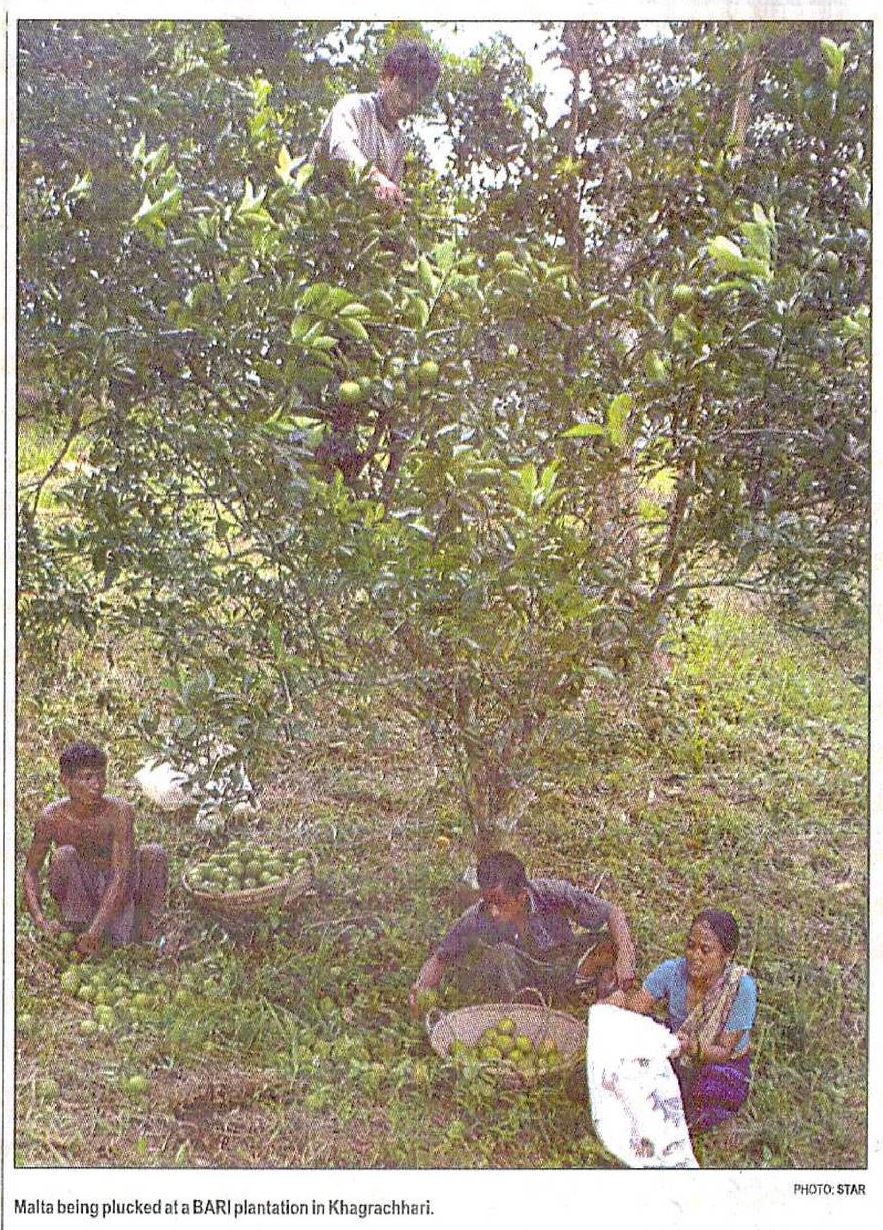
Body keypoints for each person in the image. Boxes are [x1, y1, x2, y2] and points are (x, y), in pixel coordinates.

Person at [409, 850, 637, 1015]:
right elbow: (442, 956)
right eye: (488, 902)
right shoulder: (479, 916)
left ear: (522, 897)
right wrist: (422, 986)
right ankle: (522, 1013)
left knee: (610, 945)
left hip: (564, 963)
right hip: (525, 980)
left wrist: (625, 958)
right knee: (501, 955)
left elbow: (611, 913)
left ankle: (604, 1003)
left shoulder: (550, 894)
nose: (493, 911)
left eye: (500, 903)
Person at [607, 908, 757, 1135]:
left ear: (727, 955)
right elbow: (635, 1009)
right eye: (690, 946)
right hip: (677, 1045)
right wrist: (616, 1001)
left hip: (719, 1062)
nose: (695, 956)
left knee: (709, 1090)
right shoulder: (672, 971)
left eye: (705, 950)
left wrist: (692, 1047)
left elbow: (724, 1051)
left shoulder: (741, 988)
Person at [22, 741, 168, 956]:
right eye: (88, 777)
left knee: (154, 854)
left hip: (118, 892)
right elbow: (30, 871)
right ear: (66, 781)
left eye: (101, 776)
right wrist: (41, 921)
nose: (97, 785)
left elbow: (121, 875)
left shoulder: (119, 812)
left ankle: (145, 928)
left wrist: (96, 931)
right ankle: (78, 924)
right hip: (82, 891)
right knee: (63, 855)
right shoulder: (52, 818)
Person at [311, 40, 442, 207]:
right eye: (403, 88)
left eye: (416, 96)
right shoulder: (353, 107)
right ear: (385, 77)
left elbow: (388, 196)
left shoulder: (400, 143)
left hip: (354, 217)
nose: (407, 101)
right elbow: (341, 148)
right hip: (317, 210)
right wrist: (376, 177)